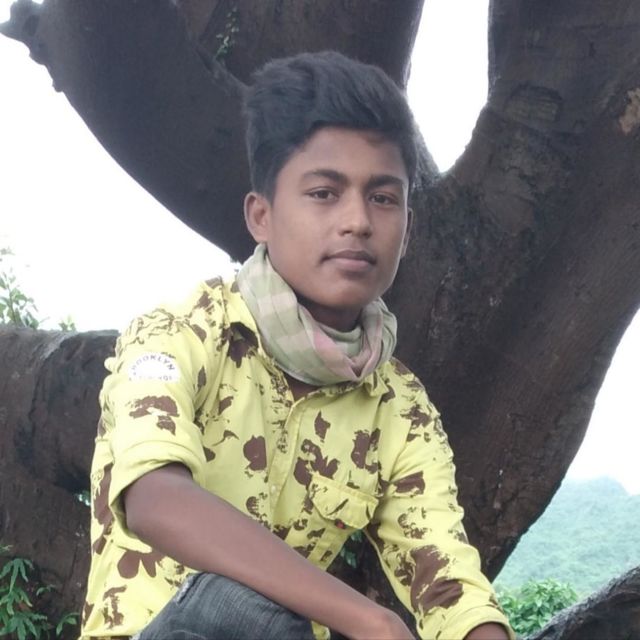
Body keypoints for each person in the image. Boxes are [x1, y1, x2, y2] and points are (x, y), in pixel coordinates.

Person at [81, 51, 513, 640]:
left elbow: (449, 583)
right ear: (261, 216)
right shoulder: (180, 333)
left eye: (383, 198)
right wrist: (370, 619)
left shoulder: (399, 409)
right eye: (324, 193)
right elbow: (155, 499)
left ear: (407, 229)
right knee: (227, 608)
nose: (358, 221)